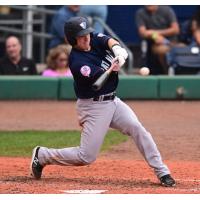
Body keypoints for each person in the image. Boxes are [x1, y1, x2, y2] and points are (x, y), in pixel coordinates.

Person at [30, 16, 176, 187]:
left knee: (138, 129)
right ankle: (42, 155)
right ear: (72, 40)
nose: (86, 38)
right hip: (93, 106)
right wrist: (113, 68)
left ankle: (162, 171)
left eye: (87, 34)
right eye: (81, 36)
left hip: (113, 101)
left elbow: (107, 40)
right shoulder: (78, 63)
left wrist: (117, 50)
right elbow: (99, 82)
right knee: (86, 157)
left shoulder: (92, 38)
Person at [135, 5, 180, 74]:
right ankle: (167, 73)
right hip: (155, 44)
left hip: (172, 42)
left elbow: (175, 29)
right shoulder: (140, 13)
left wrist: (156, 33)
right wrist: (155, 36)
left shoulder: (167, 10)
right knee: (161, 50)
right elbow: (143, 32)